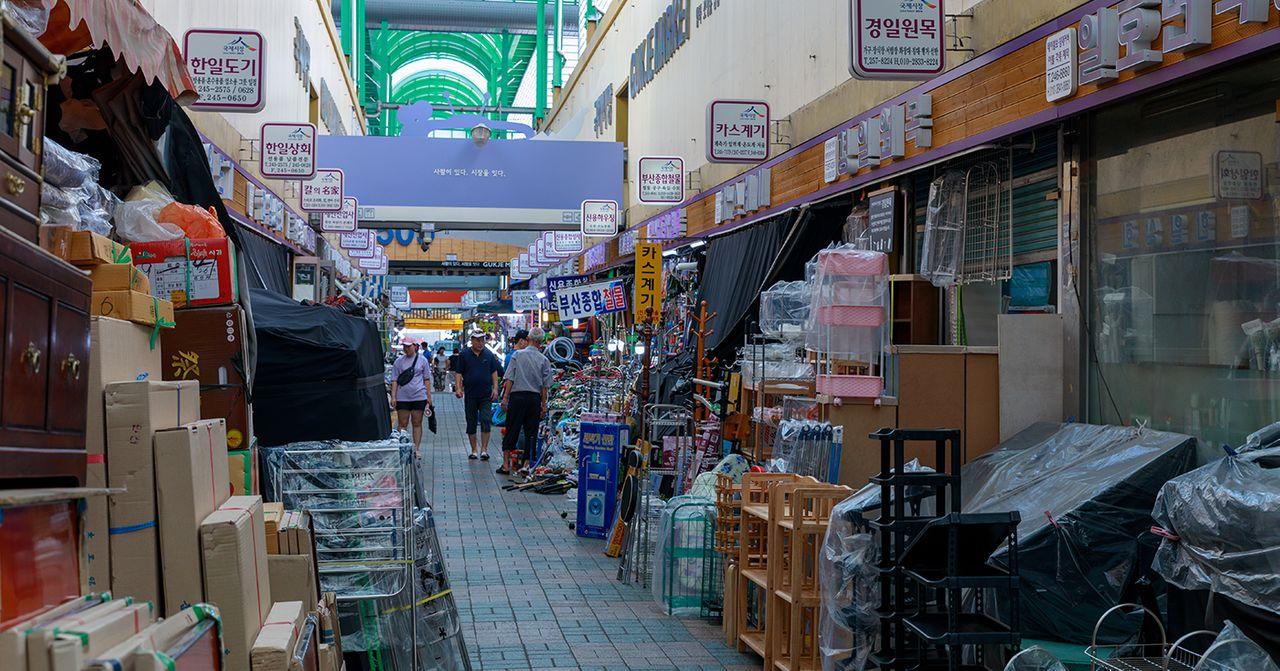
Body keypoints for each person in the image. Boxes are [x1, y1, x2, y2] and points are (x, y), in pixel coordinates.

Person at [500, 327, 554, 476]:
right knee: (531, 432)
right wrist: (543, 406)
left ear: (529, 339)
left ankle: (505, 465)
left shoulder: (517, 355)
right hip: (533, 399)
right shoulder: (544, 360)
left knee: (512, 429)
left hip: (517, 397)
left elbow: (509, 378)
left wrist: (505, 398)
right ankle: (525, 464)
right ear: (541, 342)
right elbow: (544, 387)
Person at [454, 329, 502, 461]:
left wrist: (495, 388)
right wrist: (458, 388)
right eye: (478, 340)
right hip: (470, 394)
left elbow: (494, 372)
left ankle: (484, 450)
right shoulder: (464, 355)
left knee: (486, 420)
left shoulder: (488, 354)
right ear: (472, 341)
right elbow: (458, 373)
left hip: (486, 394)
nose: (481, 343)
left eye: (483, 340)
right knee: (471, 422)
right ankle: (474, 450)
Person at [389, 338, 432, 457]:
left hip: (419, 396)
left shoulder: (423, 360)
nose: (406, 348)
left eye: (409, 346)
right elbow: (394, 380)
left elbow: (426, 379)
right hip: (402, 397)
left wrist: (428, 397)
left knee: (417, 422)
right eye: (404, 346)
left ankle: (416, 448)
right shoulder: (398, 361)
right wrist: (393, 397)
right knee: (402, 423)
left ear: (415, 346)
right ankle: (401, 448)